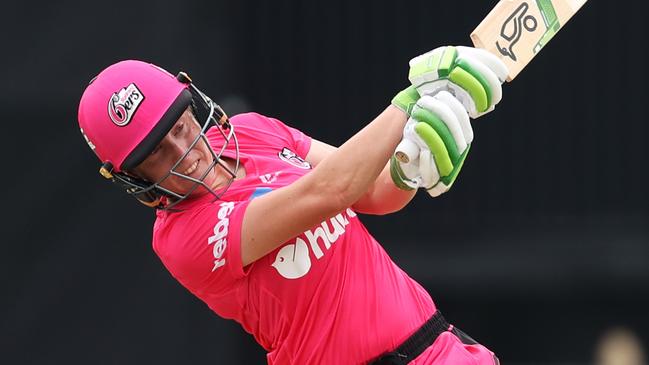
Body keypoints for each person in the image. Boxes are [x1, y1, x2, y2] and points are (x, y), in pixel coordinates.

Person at [77, 45, 507, 364]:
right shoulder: (181, 238)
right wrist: (410, 102)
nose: (184, 150)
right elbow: (327, 192)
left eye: (180, 125)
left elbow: (372, 193)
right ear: (136, 178)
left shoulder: (252, 130)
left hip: (439, 347)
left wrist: (409, 165)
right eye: (157, 152)